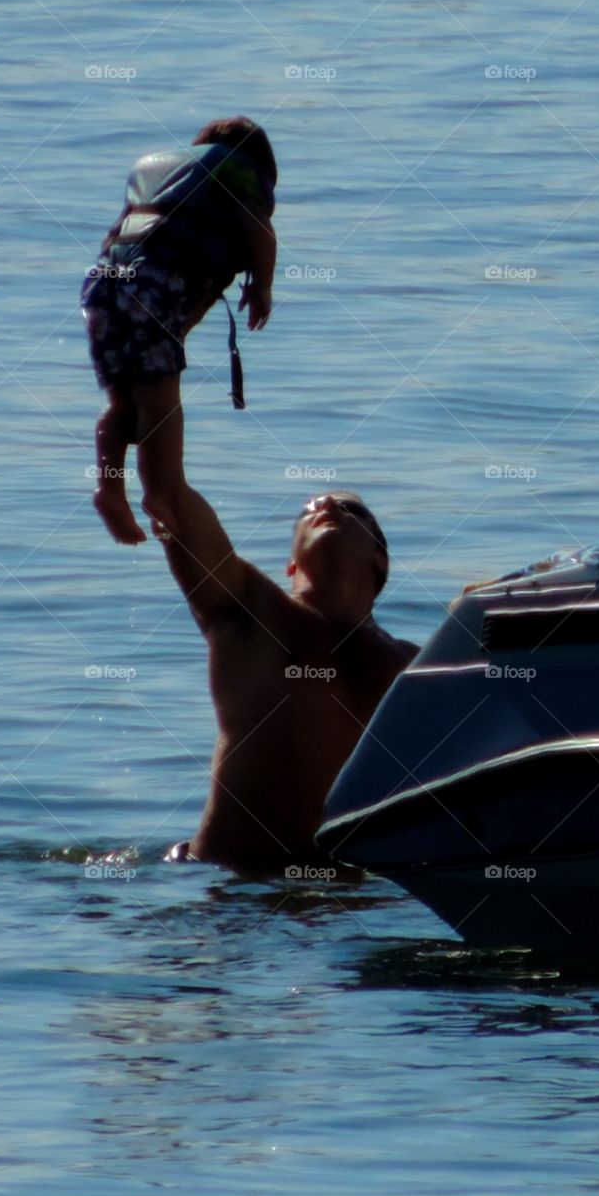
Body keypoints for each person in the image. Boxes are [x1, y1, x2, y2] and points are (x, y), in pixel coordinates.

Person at [147, 479, 419, 873]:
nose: (325, 503)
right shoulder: (254, 618)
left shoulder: (414, 666)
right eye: (308, 511)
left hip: (346, 887)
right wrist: (157, 423)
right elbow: (171, 499)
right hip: (228, 882)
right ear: (291, 564)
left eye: (351, 510)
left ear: (380, 558)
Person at [81, 116, 277, 545]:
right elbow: (260, 232)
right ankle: (161, 494)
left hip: (100, 288)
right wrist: (262, 287)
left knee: (123, 404)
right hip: (155, 287)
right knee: (160, 401)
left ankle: (110, 489)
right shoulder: (236, 174)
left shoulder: (171, 188)